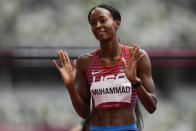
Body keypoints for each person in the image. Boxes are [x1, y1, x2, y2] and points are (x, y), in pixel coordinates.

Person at [53, 4, 157, 131]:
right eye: (93, 23)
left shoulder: (137, 57)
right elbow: (84, 113)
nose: (97, 26)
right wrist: (70, 86)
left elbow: (152, 107)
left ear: (117, 23)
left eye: (103, 20)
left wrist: (135, 82)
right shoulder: (85, 62)